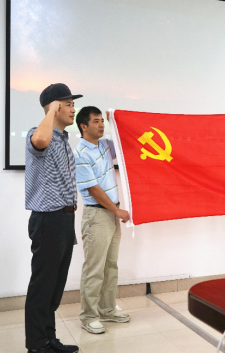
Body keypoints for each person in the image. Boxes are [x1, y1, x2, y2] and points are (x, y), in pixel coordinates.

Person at [25, 83, 82, 353]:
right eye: (68, 104)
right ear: (55, 106)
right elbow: (39, 141)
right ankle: (37, 345)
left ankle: (49, 339)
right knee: (43, 285)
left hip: (64, 220)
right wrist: (49, 112)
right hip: (47, 219)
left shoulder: (63, 139)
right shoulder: (37, 134)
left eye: (73, 104)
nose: (73, 109)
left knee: (55, 286)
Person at [73, 106, 131, 334]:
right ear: (83, 126)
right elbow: (93, 189)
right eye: (96, 121)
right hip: (97, 216)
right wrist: (117, 211)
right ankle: (88, 317)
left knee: (110, 265)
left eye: (101, 121)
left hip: (111, 214)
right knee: (94, 268)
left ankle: (107, 310)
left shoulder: (104, 145)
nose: (100, 125)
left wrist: (114, 121)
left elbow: (126, 143)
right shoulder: (80, 154)